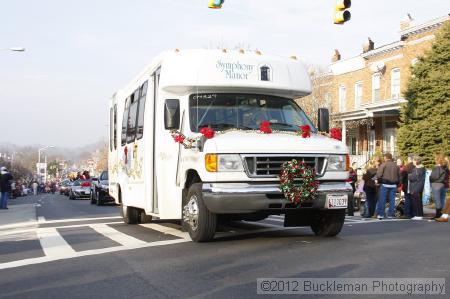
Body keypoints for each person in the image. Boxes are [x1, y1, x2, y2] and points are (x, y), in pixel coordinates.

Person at [376, 153, 401, 220]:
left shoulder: (383, 164)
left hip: (385, 184)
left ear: (386, 158)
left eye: (384, 157)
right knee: (392, 200)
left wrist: (379, 182)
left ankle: (381, 214)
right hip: (393, 185)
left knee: (382, 200)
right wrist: (398, 185)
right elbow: (399, 177)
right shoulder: (396, 166)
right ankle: (391, 214)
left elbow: (379, 175)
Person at [429, 153, 448, 219]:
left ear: (437, 159)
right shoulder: (445, 167)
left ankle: (438, 214)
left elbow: (434, 177)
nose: (434, 159)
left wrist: (430, 178)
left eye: (435, 158)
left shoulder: (437, 167)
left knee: (437, 200)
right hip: (442, 184)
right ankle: (441, 214)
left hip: (436, 184)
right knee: (442, 199)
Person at [408, 155, 426, 220]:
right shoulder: (423, 168)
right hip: (420, 186)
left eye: (413, 160)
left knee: (416, 202)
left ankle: (418, 215)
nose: (412, 161)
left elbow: (413, 178)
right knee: (419, 201)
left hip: (415, 187)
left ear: (416, 161)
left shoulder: (417, 169)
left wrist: (409, 176)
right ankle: (420, 214)